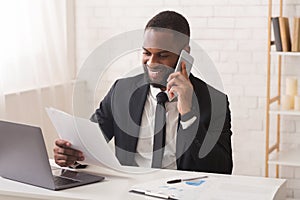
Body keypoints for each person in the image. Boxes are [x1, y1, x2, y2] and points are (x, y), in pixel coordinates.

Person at [54, 11, 233, 174]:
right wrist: (70, 155)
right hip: (130, 191)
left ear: (184, 55)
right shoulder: (121, 91)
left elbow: (221, 169)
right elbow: (89, 145)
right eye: (147, 53)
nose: (151, 63)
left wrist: (188, 114)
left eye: (162, 55)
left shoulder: (214, 102)